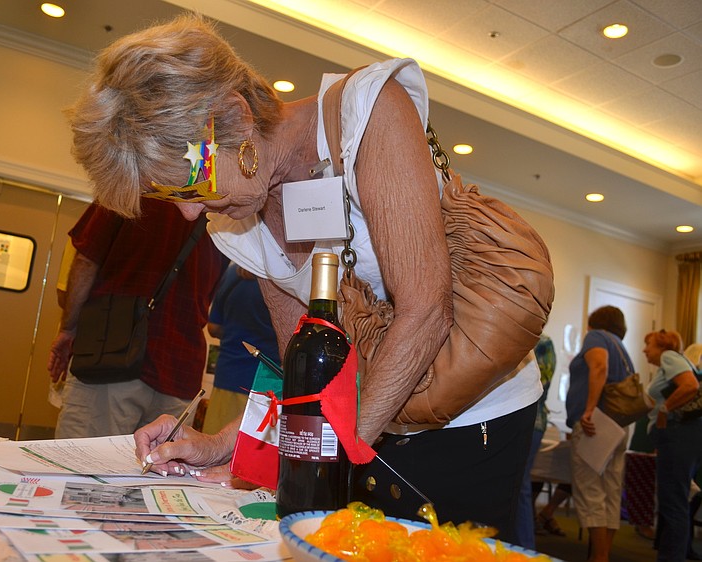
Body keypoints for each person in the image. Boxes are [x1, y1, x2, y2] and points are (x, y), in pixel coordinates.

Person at [66, 15, 544, 541]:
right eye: (172, 197)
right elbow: (306, 375)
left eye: (189, 188)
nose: (187, 217)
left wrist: (320, 463)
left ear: (236, 117)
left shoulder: (368, 113)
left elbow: (426, 310)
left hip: (469, 419)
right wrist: (229, 443)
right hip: (365, 428)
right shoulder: (242, 216)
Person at [47, 200, 226, 438]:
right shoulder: (224, 210)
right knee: (157, 470)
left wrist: (68, 329)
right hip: (181, 370)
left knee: (84, 467)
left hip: (112, 356)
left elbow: (86, 261)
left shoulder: (131, 187)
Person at [565, 305, 634, 562]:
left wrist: (589, 410)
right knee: (611, 492)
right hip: (618, 425)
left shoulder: (596, 337)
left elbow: (599, 368)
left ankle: (600, 557)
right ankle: (602, 555)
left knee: (591, 491)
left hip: (597, 423)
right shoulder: (621, 346)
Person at [643, 330, 702, 562]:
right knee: (676, 501)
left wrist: (665, 409)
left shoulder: (670, 356)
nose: (644, 349)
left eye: (648, 344)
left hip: (677, 434)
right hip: (685, 435)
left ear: (662, 346)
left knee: (673, 503)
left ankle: (670, 558)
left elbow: (689, 386)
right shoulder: (677, 362)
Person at [202, 263, 279, 435]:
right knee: (252, 451)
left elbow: (213, 327)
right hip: (268, 382)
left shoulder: (233, 271)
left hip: (230, 375)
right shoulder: (283, 277)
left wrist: (237, 333)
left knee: (215, 448)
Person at [513, 334, 556, 548]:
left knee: (520, 486)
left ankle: (525, 547)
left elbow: (541, 384)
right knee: (517, 485)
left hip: (531, 419)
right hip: (522, 419)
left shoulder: (542, 341)